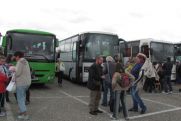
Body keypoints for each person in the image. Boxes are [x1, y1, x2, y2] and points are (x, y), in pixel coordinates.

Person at [14, 51, 31, 120]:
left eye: (15, 57)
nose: (15, 58)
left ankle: (25, 115)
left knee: (20, 99)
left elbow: (17, 73)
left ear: (18, 56)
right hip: (27, 82)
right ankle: (21, 111)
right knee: (23, 97)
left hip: (21, 83)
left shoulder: (19, 62)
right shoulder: (26, 61)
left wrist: (13, 70)